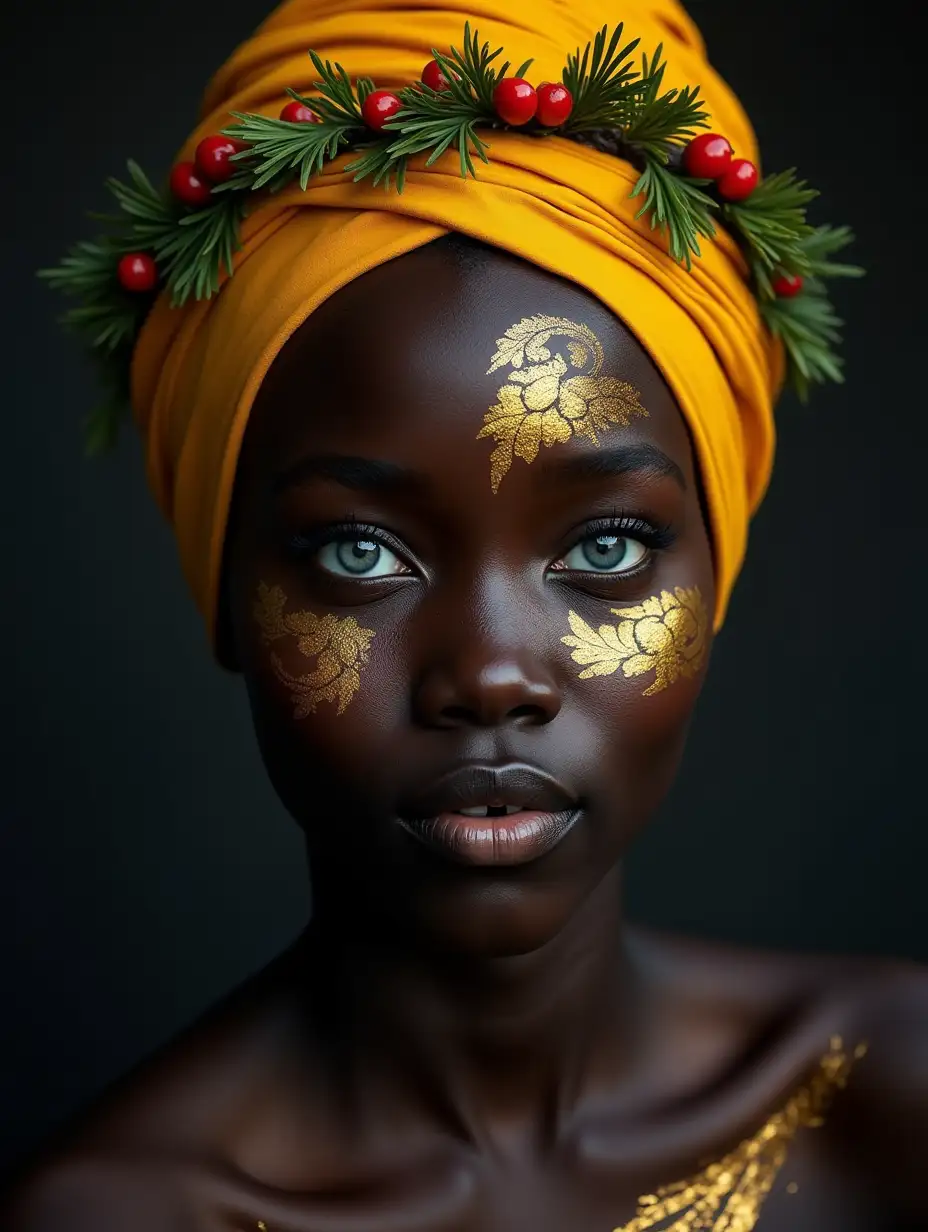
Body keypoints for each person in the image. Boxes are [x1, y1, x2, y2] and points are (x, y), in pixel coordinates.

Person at [4, 0, 926, 1227]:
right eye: (357, 550)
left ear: (716, 575)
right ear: (224, 588)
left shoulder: (886, 1100)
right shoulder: (124, 1216)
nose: (491, 673)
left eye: (605, 545)